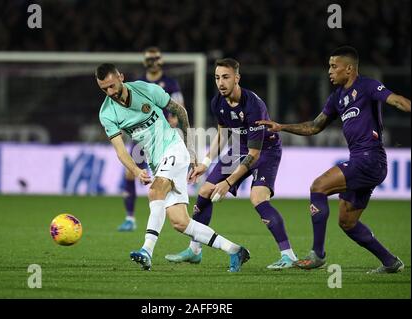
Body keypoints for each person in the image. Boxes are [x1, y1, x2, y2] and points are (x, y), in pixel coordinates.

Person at [257, 46, 410, 273]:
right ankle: (391, 262)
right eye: (329, 66)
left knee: (318, 186)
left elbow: (397, 101)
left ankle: (317, 255)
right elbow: (314, 126)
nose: (329, 71)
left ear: (349, 69)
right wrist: (281, 127)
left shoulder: (367, 86)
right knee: (347, 223)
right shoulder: (337, 97)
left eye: (333, 66)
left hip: (370, 159)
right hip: (361, 161)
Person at [96, 63, 250, 272]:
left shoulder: (146, 89)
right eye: (104, 89)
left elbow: (180, 111)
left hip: (174, 148)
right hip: (156, 162)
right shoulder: (107, 113)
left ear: (121, 77)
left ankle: (146, 251)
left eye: (112, 86)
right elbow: (121, 151)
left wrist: (192, 151)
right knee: (180, 222)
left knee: (155, 190)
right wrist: (135, 170)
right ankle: (234, 250)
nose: (110, 92)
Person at [165, 58, 298, 269]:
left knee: (258, 198)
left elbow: (254, 154)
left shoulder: (254, 106)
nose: (221, 82)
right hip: (240, 148)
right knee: (205, 191)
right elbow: (222, 134)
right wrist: (206, 162)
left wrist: (228, 183)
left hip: (266, 150)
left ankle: (289, 255)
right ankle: (195, 250)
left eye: (226, 77)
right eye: (217, 78)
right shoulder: (217, 102)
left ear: (237, 78)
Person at [117, 47, 184, 232]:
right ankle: (130, 218)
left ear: (161, 60)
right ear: (144, 61)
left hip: (162, 137)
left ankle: (174, 216)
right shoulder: (139, 83)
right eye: (149, 58)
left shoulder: (170, 83)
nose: (153, 61)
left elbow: (179, 105)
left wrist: (175, 119)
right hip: (141, 136)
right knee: (130, 173)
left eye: (156, 58)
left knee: (162, 179)